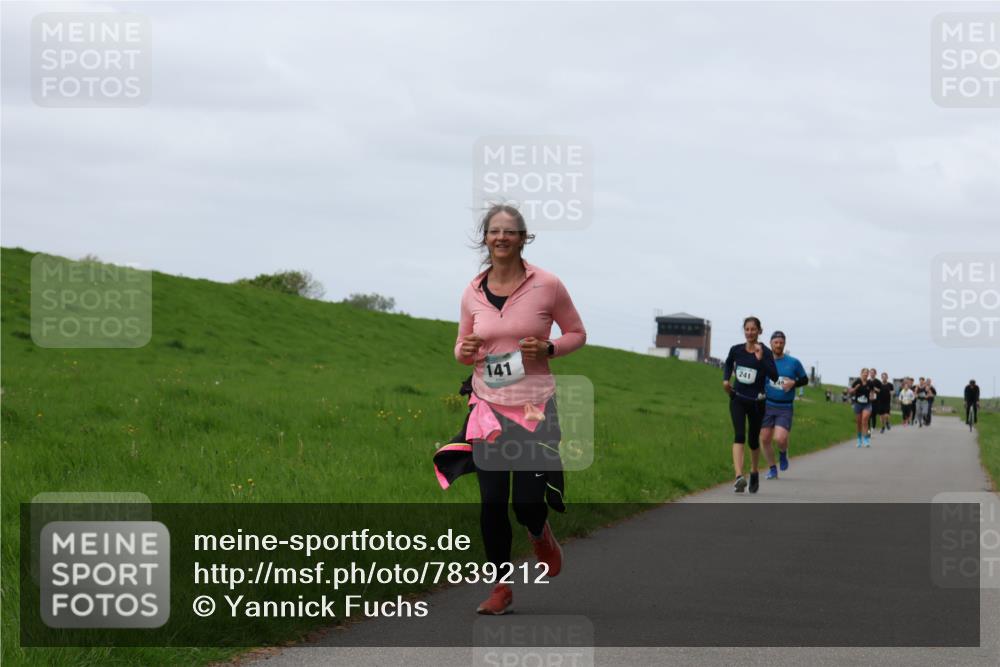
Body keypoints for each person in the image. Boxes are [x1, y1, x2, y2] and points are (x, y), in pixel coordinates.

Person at [432, 204, 586, 615]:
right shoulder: (471, 291)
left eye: (510, 232)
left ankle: (539, 531)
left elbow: (577, 333)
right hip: (488, 409)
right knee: (492, 502)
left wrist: (550, 346)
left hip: (534, 408)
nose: (501, 238)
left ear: (523, 238)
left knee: (527, 503)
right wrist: (463, 352)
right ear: (485, 238)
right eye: (494, 231)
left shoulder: (548, 284)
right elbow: (463, 346)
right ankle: (500, 588)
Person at [722, 317, 778, 494]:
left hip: (757, 402)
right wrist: (725, 380)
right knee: (739, 435)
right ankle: (739, 476)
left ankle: (754, 471)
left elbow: (775, 376)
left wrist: (761, 359)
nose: (750, 332)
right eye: (747, 329)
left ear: (759, 331)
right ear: (744, 331)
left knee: (753, 440)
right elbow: (729, 363)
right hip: (737, 398)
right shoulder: (736, 350)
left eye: (753, 329)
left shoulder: (766, 352)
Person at [760, 331, 808, 479]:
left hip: (784, 407)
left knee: (780, 438)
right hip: (767, 405)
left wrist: (794, 383)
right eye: (776, 342)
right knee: (765, 439)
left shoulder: (793, 362)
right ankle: (772, 469)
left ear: (784, 344)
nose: (778, 345)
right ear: (771, 344)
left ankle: (782, 453)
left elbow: (805, 379)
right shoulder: (764, 361)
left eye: (781, 342)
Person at [848, 368, 874, 447]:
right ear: (861, 373)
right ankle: (859, 439)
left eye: (867, 373)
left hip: (867, 404)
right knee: (859, 423)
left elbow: (872, 392)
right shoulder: (857, 382)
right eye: (864, 373)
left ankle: (866, 439)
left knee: (865, 419)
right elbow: (850, 391)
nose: (866, 374)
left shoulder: (870, 383)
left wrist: (872, 396)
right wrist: (855, 388)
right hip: (858, 404)